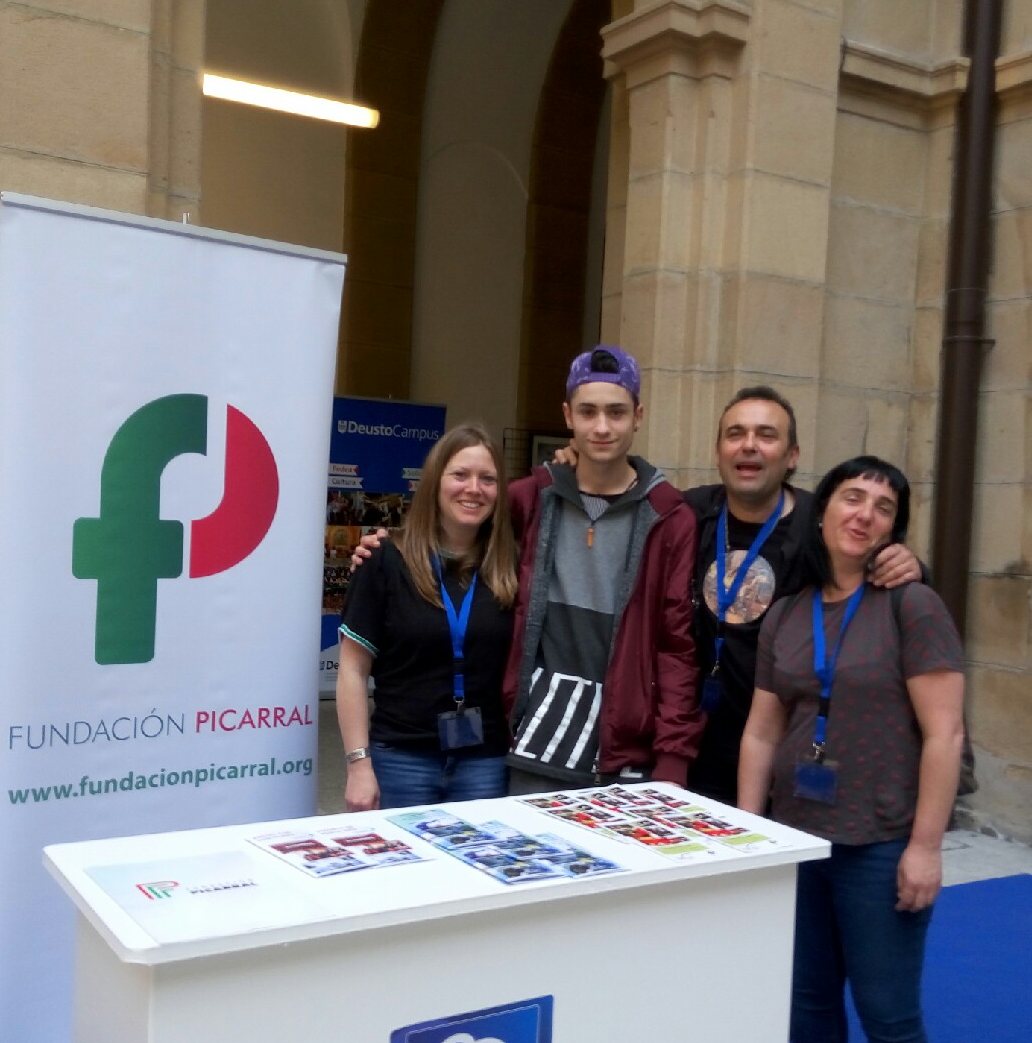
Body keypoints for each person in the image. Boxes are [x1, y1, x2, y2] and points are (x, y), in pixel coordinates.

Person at [556, 384, 924, 805]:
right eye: (735, 434)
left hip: (786, 761)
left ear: (792, 456)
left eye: (766, 435)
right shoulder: (684, 513)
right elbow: (615, 500)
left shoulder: (820, 526)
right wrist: (577, 463)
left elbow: (874, 566)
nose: (749, 445)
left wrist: (909, 564)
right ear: (718, 452)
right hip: (686, 753)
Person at [737, 455, 965, 1043]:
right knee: (808, 1003)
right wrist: (749, 835)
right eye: (852, 497)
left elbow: (945, 734)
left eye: (883, 507)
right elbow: (760, 733)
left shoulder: (912, 605)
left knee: (887, 1016)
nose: (864, 514)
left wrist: (925, 847)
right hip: (797, 840)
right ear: (823, 510)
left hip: (879, 843)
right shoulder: (787, 611)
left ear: (894, 527)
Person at [505, 345, 703, 791]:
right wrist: (380, 548)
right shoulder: (530, 499)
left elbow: (676, 645)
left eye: (616, 412)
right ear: (567, 416)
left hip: (626, 748)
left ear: (638, 416)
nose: (601, 427)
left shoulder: (669, 517)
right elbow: (454, 542)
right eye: (588, 412)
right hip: (538, 738)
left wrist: (673, 755)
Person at [336, 424, 518, 810]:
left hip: (484, 763)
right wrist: (358, 765)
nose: (474, 488)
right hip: (401, 761)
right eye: (460, 475)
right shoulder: (384, 560)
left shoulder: (509, 568)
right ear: (435, 482)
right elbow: (352, 669)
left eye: (487, 479)